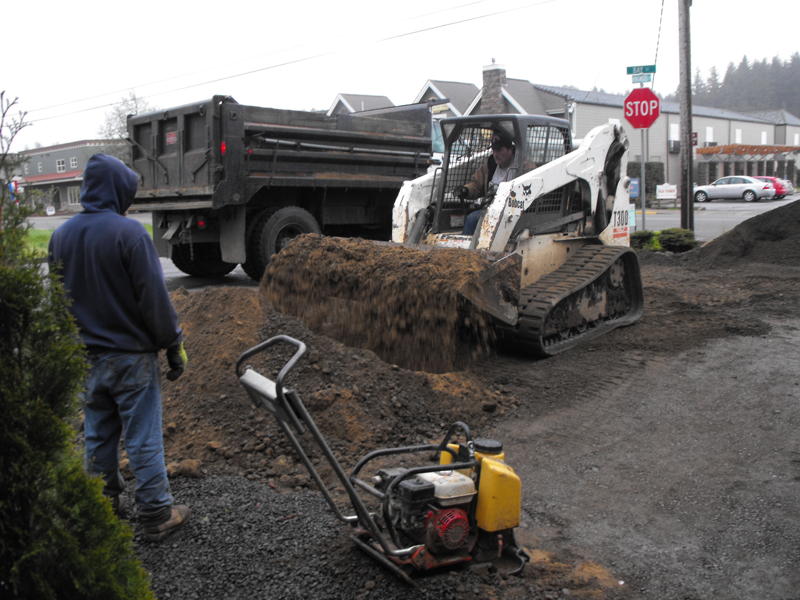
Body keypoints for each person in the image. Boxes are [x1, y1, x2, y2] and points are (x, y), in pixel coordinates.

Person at [48, 154, 190, 542]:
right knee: (143, 436)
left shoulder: (60, 236)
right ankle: (157, 513)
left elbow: (57, 300)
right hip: (131, 359)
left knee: (97, 433)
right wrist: (172, 344)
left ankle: (102, 508)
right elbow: (154, 300)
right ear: (116, 190)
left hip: (85, 358)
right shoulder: (129, 235)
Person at [457, 130, 517, 235]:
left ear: (510, 149)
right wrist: (466, 190)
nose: (495, 154)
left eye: (499, 150)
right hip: (490, 208)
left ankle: (466, 251)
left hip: (512, 212)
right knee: (470, 215)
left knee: (472, 219)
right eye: (493, 150)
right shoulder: (490, 165)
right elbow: (476, 184)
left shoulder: (523, 167)